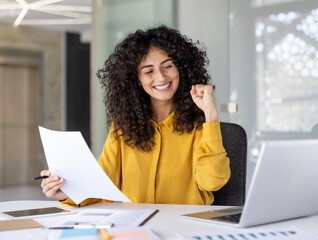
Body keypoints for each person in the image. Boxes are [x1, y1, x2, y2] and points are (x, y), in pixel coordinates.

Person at [40, 25, 230, 207]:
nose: (161, 77)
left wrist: (211, 115)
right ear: (136, 80)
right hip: (136, 228)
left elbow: (212, 182)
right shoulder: (123, 126)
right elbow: (102, 184)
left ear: (181, 68)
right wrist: (67, 193)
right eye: (148, 71)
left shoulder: (200, 124)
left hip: (185, 229)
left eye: (168, 66)